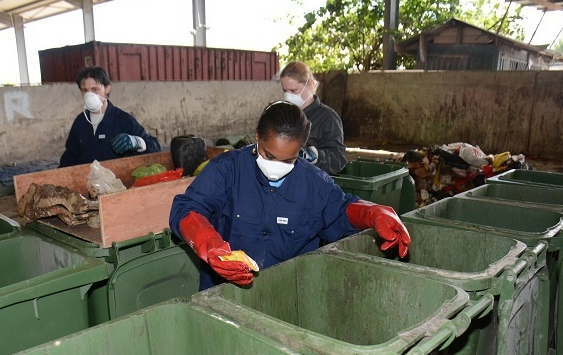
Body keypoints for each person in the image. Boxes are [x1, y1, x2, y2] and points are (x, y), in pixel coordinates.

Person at [169, 101, 410, 290]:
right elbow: (186, 209)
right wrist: (210, 247)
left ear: (300, 150)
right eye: (269, 155)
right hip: (224, 292)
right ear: (256, 137)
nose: (276, 165)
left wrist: (371, 213)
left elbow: (340, 212)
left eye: (289, 160)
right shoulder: (226, 170)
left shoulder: (314, 184)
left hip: (286, 295)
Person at [59, 66, 161, 167]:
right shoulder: (80, 122)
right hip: (88, 180)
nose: (89, 95)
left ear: (107, 88)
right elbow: (70, 157)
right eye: (85, 90)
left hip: (117, 181)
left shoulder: (123, 120)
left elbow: (155, 147)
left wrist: (137, 142)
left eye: (95, 89)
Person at [280, 60, 346, 175]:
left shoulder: (328, 118)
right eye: (285, 91)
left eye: (293, 90)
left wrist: (315, 155)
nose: (288, 95)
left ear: (310, 84)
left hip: (312, 184)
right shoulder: (283, 114)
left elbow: (338, 160)